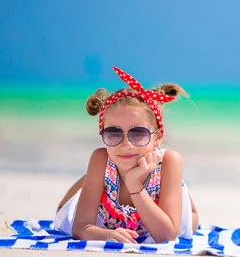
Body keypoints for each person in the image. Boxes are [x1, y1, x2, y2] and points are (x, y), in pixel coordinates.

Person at [53, 66, 199, 244]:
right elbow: (80, 227)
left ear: (158, 137)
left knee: (190, 222)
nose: (126, 144)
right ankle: (94, 180)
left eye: (138, 133)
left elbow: (166, 236)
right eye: (114, 133)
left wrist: (134, 184)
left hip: (167, 208)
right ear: (102, 135)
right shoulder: (101, 158)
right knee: (63, 213)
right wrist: (105, 235)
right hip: (107, 182)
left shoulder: (169, 161)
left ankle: (173, 187)